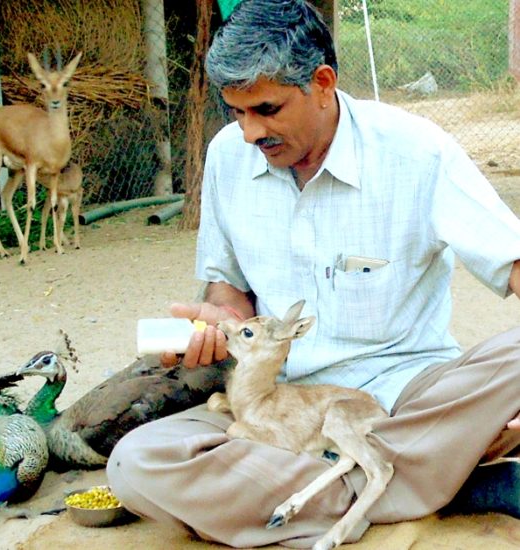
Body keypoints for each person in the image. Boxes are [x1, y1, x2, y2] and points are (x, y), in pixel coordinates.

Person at [106, 0, 520, 547]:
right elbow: (227, 289)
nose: (250, 131)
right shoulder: (228, 157)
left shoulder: (414, 151)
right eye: (237, 113)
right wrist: (221, 322)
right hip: (281, 409)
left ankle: (362, 483)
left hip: (410, 395)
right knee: (137, 462)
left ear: (322, 82)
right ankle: (415, 479)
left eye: (267, 109)